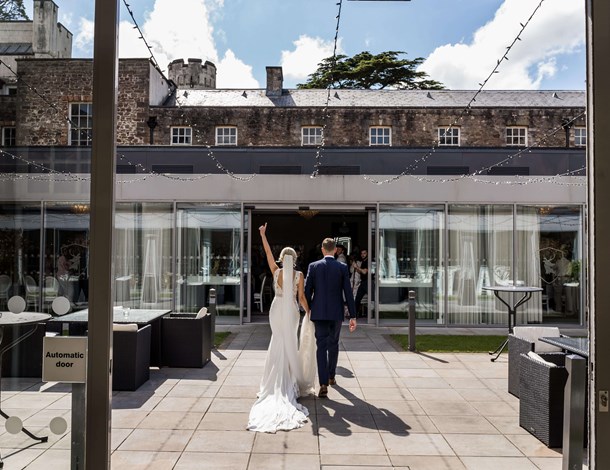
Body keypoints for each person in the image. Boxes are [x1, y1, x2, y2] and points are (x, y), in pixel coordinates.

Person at [247, 223, 315, 433]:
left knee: (276, 340)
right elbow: (301, 297)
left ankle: (272, 382)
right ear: (294, 259)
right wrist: (309, 311)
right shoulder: (299, 275)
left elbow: (267, 251)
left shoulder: (276, 272)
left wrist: (262, 235)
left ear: (280, 259)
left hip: (276, 309)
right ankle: (290, 382)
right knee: (289, 342)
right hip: (292, 311)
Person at [305, 238, 357, 398]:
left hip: (319, 312)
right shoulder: (341, 267)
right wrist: (353, 316)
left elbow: (307, 290)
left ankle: (322, 383)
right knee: (333, 343)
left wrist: (307, 309)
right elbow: (348, 292)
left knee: (321, 346)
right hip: (336, 312)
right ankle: (331, 376)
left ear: (322, 250)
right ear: (335, 250)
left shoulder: (313, 266)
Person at [354, 249, 369, 317]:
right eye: (361, 253)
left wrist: (356, 267)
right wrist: (357, 268)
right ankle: (354, 315)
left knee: (373, 299)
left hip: (368, 282)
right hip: (363, 282)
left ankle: (374, 315)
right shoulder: (363, 261)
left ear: (368, 253)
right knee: (357, 298)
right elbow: (361, 272)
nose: (363, 255)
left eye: (364, 253)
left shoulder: (368, 261)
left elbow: (364, 272)